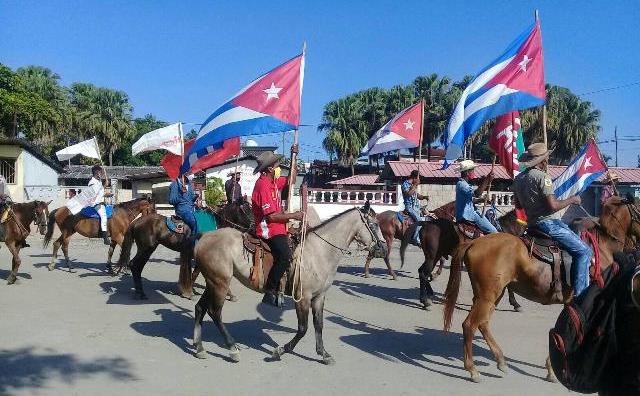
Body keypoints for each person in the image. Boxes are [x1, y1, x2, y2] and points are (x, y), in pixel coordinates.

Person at [513, 143, 592, 297]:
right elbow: (553, 205)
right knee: (584, 251)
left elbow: (518, 205)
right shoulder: (542, 177)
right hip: (549, 224)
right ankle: (581, 295)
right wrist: (572, 199)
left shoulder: (519, 179)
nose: (547, 161)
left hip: (532, 225)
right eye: (546, 159)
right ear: (543, 161)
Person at [252, 148, 304, 307]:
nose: (279, 167)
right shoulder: (263, 185)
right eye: (277, 165)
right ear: (269, 169)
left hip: (280, 226)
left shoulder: (273, 181)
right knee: (285, 255)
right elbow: (271, 217)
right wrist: (294, 216)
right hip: (269, 228)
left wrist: (294, 156)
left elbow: (291, 180)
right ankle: (270, 290)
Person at [455, 160, 498, 234]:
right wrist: (487, 179)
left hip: (468, 214)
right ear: (467, 173)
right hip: (468, 215)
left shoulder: (464, 184)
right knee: (494, 232)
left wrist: (482, 200)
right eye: (472, 171)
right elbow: (477, 193)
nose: (474, 173)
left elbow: (470, 200)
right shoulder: (462, 184)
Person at [169, 171, 198, 243]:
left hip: (192, 209)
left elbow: (190, 199)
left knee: (203, 218)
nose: (191, 174)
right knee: (194, 222)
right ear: (184, 174)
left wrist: (195, 197)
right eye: (190, 172)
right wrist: (181, 193)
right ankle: (193, 243)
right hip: (182, 211)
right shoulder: (174, 185)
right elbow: (171, 201)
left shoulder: (189, 184)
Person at [401, 170, 429, 245]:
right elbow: (409, 194)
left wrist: (423, 197)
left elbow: (417, 195)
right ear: (414, 178)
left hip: (417, 207)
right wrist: (415, 185)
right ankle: (416, 239)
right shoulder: (405, 184)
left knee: (428, 215)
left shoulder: (413, 185)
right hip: (410, 207)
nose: (419, 180)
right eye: (418, 178)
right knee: (420, 221)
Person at [88, 165, 113, 245]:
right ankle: (105, 237)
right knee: (104, 216)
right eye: (100, 172)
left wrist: (106, 183)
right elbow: (95, 193)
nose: (101, 174)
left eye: (101, 172)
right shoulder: (92, 182)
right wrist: (106, 195)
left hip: (102, 203)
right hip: (96, 203)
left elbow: (101, 189)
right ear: (96, 172)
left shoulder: (98, 181)